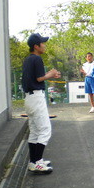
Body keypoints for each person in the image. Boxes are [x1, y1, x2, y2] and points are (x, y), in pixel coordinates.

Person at [22, 33, 61, 174]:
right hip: (36, 98)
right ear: (36, 46)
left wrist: (49, 75)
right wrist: (50, 75)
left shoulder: (28, 60)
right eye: (42, 43)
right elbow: (39, 78)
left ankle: (34, 161)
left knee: (34, 131)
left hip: (29, 98)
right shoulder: (37, 59)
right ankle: (37, 162)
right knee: (45, 130)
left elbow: (33, 78)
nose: (44, 45)